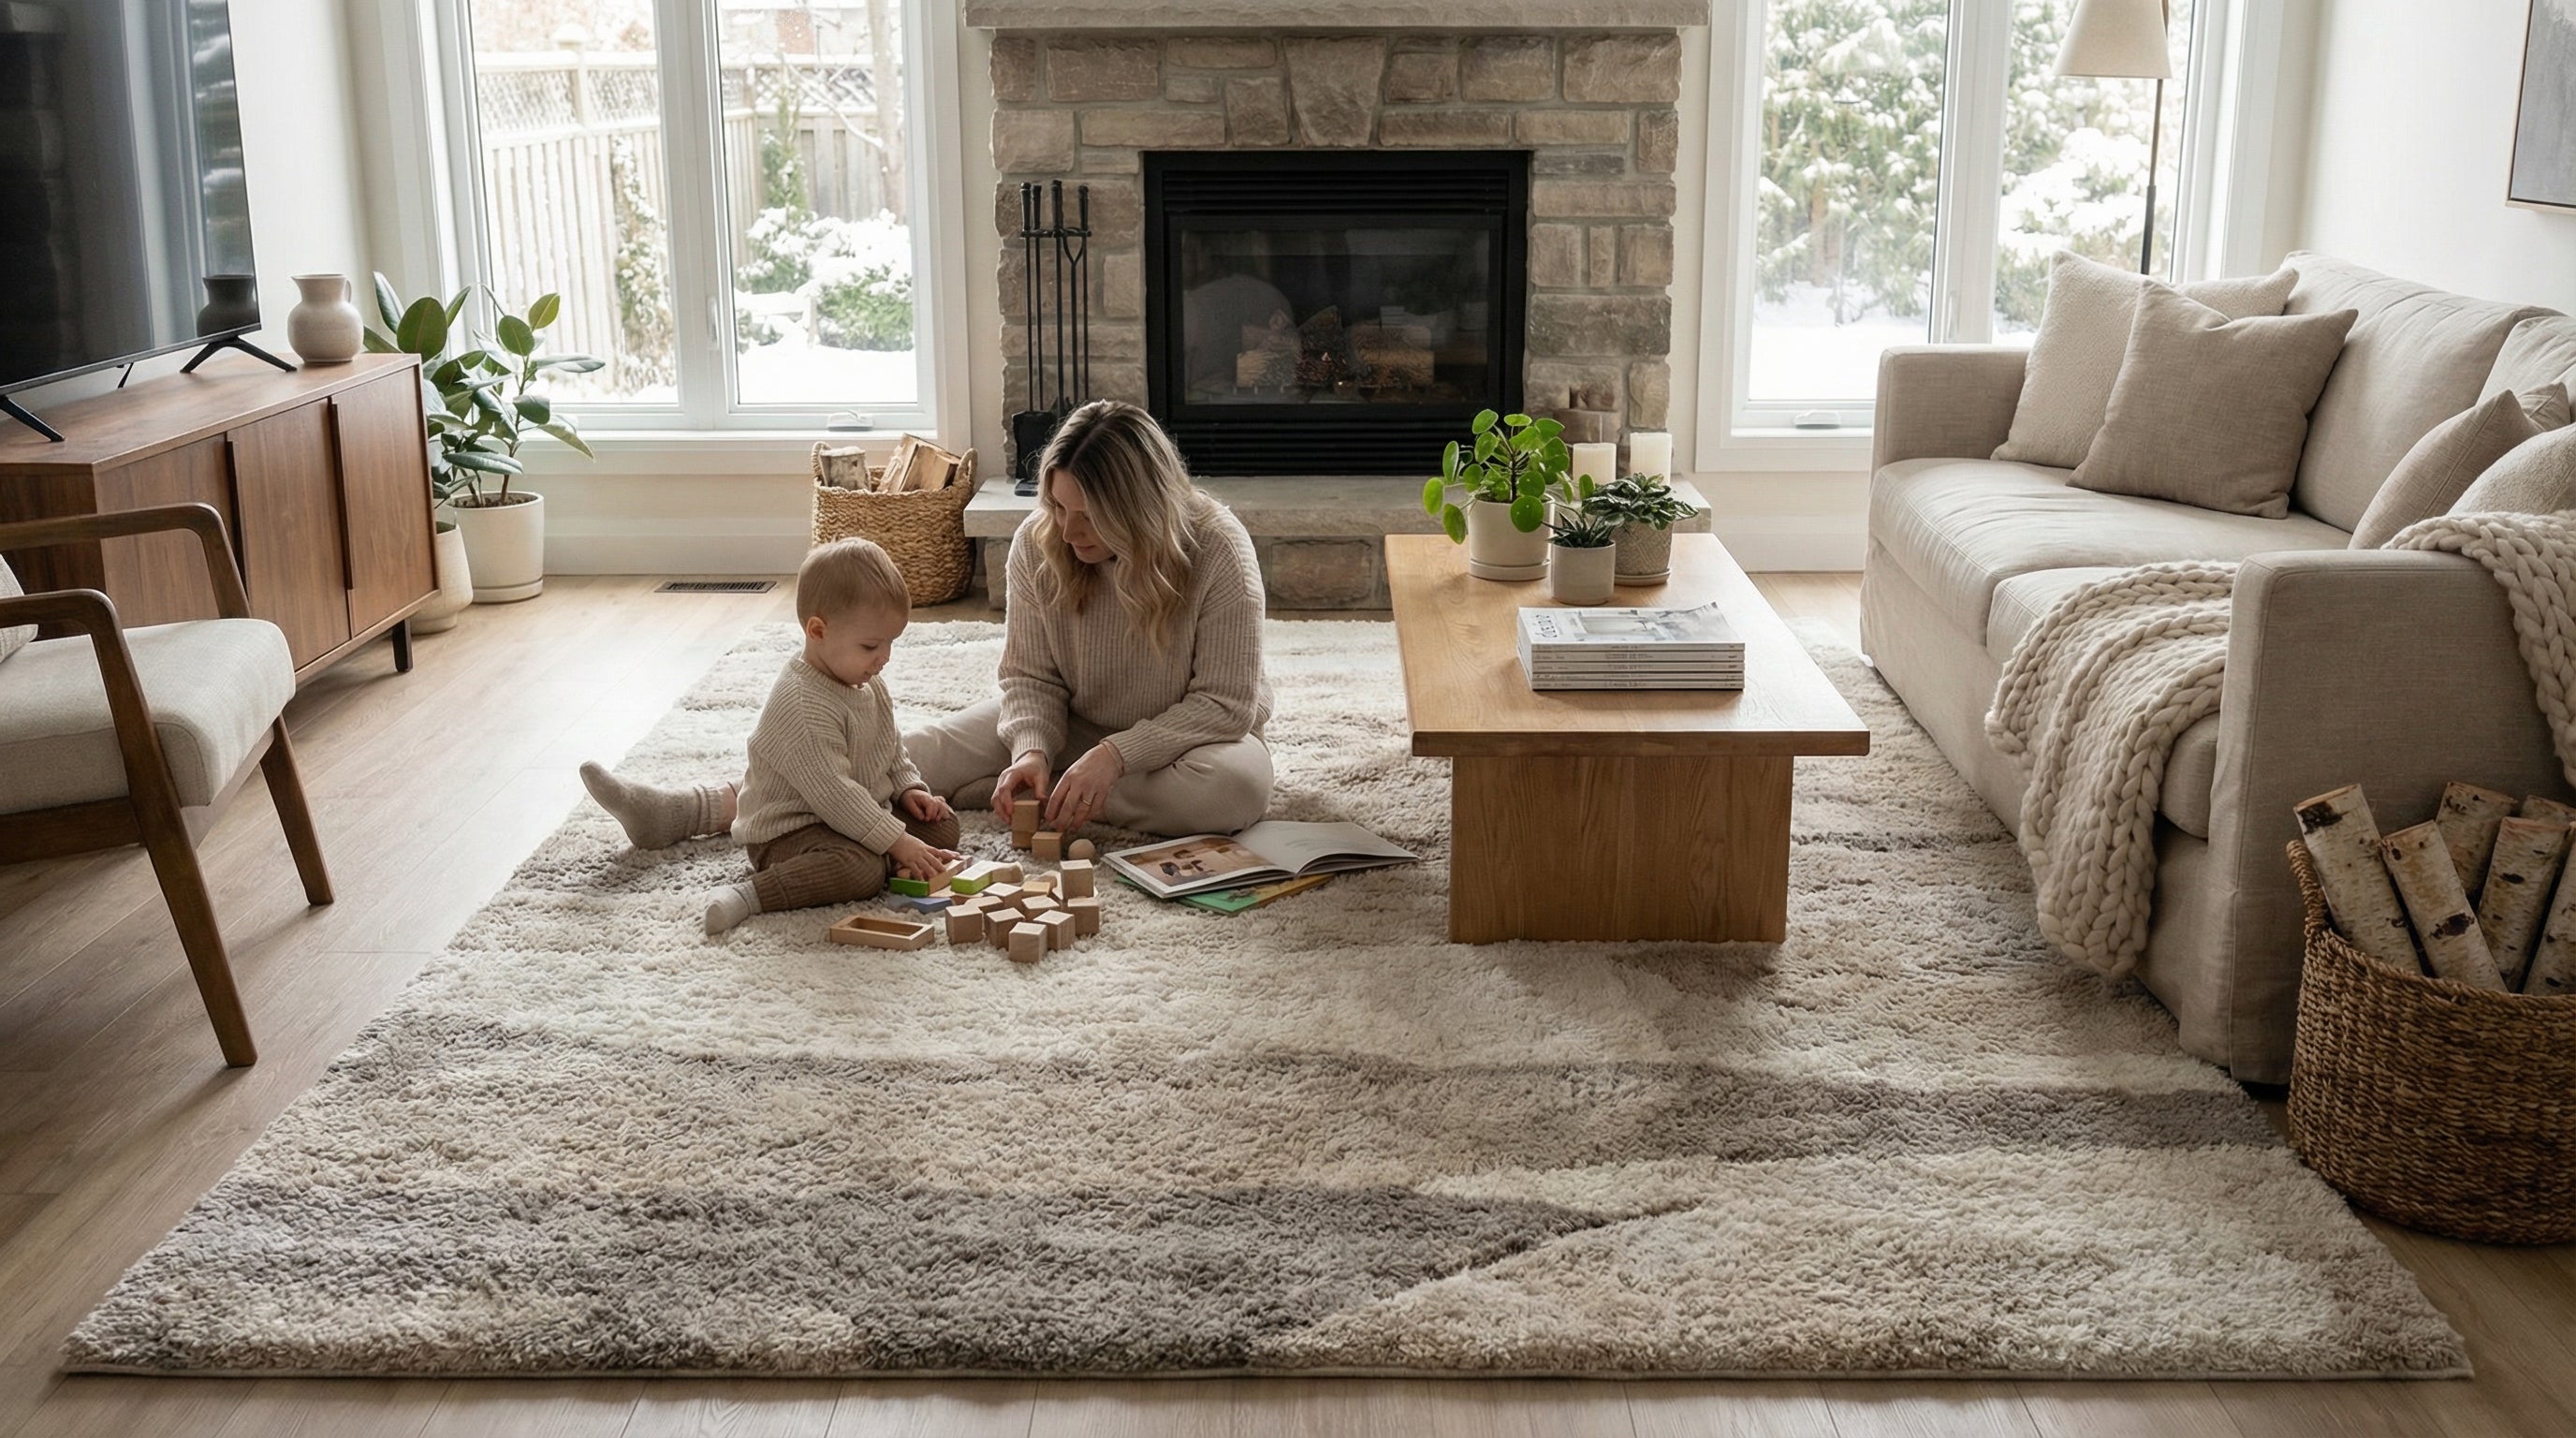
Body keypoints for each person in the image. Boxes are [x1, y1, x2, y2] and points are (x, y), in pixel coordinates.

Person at [905, 399, 1273, 837]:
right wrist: (1031, 752)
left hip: (1191, 742)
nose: (1067, 531)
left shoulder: (1218, 547)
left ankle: (1055, 795)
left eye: (1090, 517)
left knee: (1234, 790)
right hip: (1073, 723)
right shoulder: (1036, 543)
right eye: (1059, 507)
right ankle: (1052, 786)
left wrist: (1114, 757)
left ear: (1141, 510)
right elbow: (1029, 678)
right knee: (919, 753)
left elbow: (1225, 705)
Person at [578, 537, 959, 934]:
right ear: (818, 631)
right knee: (860, 870)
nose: (885, 658)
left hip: (854, 814)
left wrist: (909, 790)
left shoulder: (866, 682)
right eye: (871, 646)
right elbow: (835, 795)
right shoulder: (802, 703)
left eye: (890, 643)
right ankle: (750, 895)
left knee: (942, 828)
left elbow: (890, 751)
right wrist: (896, 843)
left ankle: (886, 858)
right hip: (791, 831)